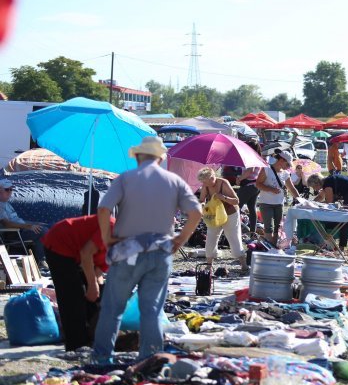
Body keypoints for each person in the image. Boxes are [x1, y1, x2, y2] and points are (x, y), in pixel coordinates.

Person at [93, 136, 202, 362]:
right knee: (151, 310)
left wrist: (106, 238)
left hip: (127, 250)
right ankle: (149, 360)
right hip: (160, 250)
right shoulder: (174, 181)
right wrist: (180, 240)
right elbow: (196, 213)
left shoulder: (125, 178)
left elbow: (103, 209)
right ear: (160, 158)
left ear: (138, 157)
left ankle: (102, 359)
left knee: (112, 309)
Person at [42, 215, 114, 351]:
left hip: (77, 254)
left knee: (94, 296)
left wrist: (95, 288)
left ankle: (91, 336)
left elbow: (98, 271)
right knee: (72, 295)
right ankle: (76, 345)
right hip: (60, 241)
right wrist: (92, 286)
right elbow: (86, 254)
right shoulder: (111, 227)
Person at [197, 167, 247, 271]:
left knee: (234, 237)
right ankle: (209, 265)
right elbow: (201, 200)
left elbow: (236, 201)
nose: (205, 184)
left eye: (206, 181)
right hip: (215, 215)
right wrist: (201, 205)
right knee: (211, 237)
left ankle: (243, 265)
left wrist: (223, 197)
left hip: (230, 213)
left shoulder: (223, 183)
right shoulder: (205, 185)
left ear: (212, 177)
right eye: (203, 182)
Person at [306, 173, 348, 251]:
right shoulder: (328, 181)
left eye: (313, 187)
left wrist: (316, 205)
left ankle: (343, 247)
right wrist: (310, 203)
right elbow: (320, 197)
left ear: (317, 183)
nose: (314, 189)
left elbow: (329, 202)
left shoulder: (327, 184)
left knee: (344, 220)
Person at [255, 150, 300, 246]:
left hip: (279, 203)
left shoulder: (286, 174)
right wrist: (270, 189)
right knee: (268, 227)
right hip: (266, 203)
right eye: (287, 164)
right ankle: (269, 247)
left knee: (277, 227)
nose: (288, 167)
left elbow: (292, 188)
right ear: (281, 160)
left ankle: (273, 246)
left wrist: (300, 200)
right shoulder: (266, 169)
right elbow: (258, 184)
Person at [0, 178, 46, 268]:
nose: (10, 192)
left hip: (21, 227)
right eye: (6, 189)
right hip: (14, 233)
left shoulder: (6, 203)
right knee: (43, 231)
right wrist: (28, 226)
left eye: (11, 189)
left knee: (52, 226)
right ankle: (42, 261)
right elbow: (6, 224)